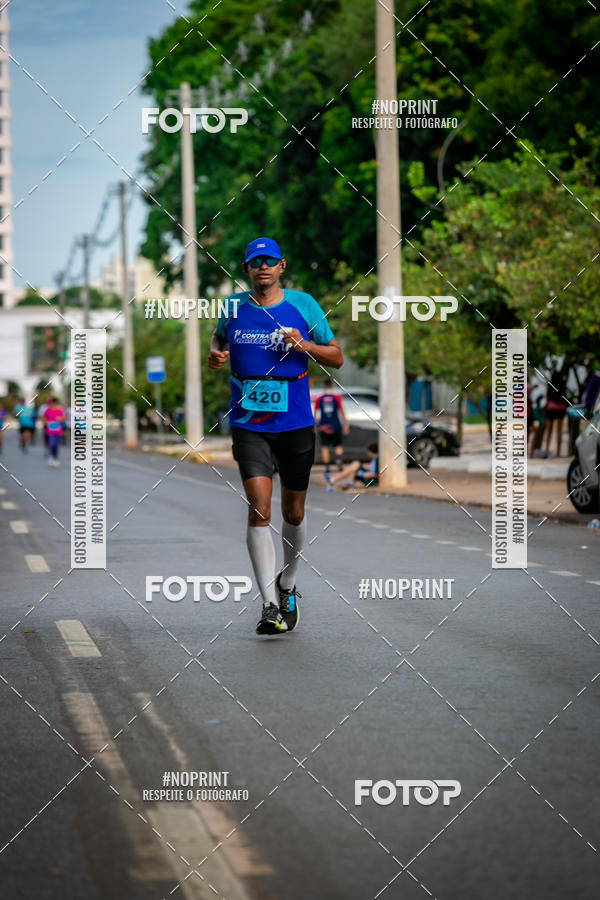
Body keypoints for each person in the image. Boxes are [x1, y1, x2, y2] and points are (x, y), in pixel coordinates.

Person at [208, 236, 343, 635]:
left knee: (294, 513)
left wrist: (304, 345)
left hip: (296, 423)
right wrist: (215, 355)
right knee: (258, 506)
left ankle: (287, 583)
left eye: (269, 261)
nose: (262, 267)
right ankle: (268, 604)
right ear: (247, 269)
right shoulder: (232, 307)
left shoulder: (304, 305)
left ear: (281, 266)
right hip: (250, 423)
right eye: (255, 262)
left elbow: (336, 354)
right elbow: (218, 339)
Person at [314, 377, 349, 479]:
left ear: (323, 386)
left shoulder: (319, 399)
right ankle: (339, 459)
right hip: (336, 425)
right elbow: (341, 411)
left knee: (325, 447)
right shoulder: (337, 398)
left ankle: (327, 468)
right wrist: (345, 424)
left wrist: (315, 427)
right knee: (338, 445)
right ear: (332, 386)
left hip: (324, 426)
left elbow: (315, 414)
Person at [544, 378, 567, 458]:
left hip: (551, 408)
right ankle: (558, 452)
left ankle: (546, 451)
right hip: (560, 409)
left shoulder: (549, 385)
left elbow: (547, 397)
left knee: (549, 432)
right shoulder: (562, 385)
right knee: (559, 431)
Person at [43, 397, 65, 467]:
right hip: (50, 431)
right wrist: (46, 422)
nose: (53, 404)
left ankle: (56, 458)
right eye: (52, 403)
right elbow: (43, 417)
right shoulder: (48, 410)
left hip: (58, 430)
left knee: (56, 445)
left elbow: (64, 418)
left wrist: (60, 419)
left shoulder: (59, 410)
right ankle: (52, 457)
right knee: (52, 444)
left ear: (56, 403)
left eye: (54, 403)